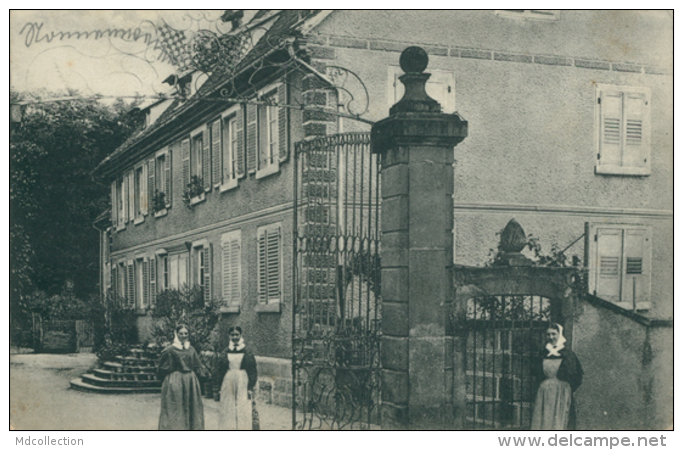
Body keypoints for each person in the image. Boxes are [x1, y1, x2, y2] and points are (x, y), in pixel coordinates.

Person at [531, 323, 584, 430]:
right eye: (548, 334)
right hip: (545, 391)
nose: (551, 337)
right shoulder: (543, 352)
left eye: (554, 334)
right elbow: (536, 373)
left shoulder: (568, 354)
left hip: (562, 392)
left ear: (560, 334)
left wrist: (567, 388)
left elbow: (577, 376)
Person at [157, 324, 208, 430]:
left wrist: (202, 375)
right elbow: (161, 369)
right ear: (176, 334)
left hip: (190, 380)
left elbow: (197, 365)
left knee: (192, 407)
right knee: (176, 408)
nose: (183, 336)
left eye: (186, 333)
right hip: (175, 381)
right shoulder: (169, 350)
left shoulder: (191, 349)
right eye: (181, 333)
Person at [213, 326, 258, 430]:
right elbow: (219, 370)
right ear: (229, 336)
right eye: (232, 335)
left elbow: (252, 370)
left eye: (237, 334)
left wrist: (250, 387)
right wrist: (218, 387)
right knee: (228, 406)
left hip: (243, 380)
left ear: (241, 335)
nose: (235, 337)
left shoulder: (247, 351)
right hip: (228, 381)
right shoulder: (225, 351)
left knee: (243, 406)